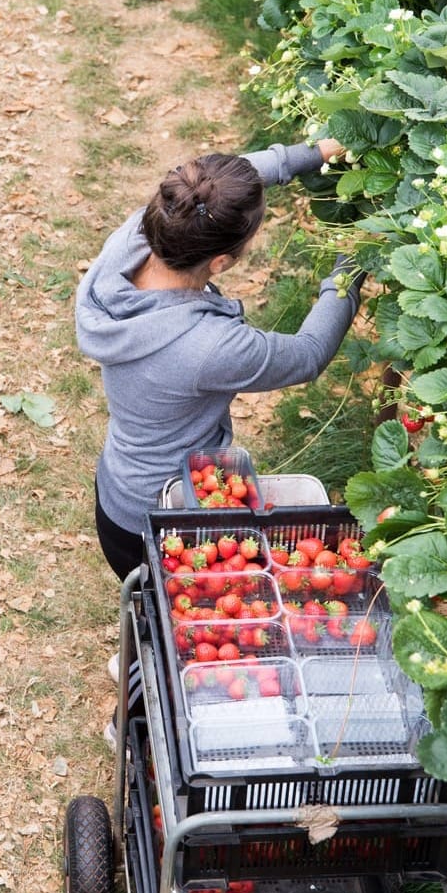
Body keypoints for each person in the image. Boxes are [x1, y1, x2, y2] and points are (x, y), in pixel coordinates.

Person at [75, 140, 362, 582]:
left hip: (117, 494)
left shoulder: (136, 240)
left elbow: (209, 187)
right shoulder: (208, 346)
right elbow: (307, 354)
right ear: (222, 262)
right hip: (164, 524)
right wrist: (353, 264)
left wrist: (315, 152)